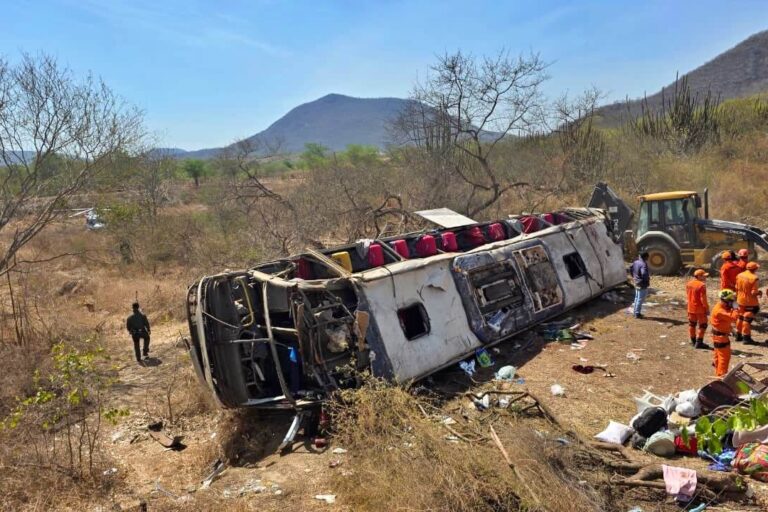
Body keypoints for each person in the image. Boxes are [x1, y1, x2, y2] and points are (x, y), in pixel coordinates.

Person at [710, 289, 740, 377]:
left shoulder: (721, 307)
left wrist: (731, 330)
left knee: (718, 356)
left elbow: (723, 322)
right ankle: (721, 378)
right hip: (721, 338)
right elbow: (734, 318)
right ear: (726, 301)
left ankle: (718, 373)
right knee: (724, 358)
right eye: (731, 301)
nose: (733, 302)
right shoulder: (720, 311)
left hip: (718, 336)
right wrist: (735, 308)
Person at [735, 261, 762, 344]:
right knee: (747, 319)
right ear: (755, 269)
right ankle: (746, 338)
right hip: (750, 302)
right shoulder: (754, 278)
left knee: (740, 317)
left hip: (740, 300)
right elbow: (753, 292)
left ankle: (738, 335)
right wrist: (759, 292)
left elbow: (736, 287)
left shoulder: (739, 275)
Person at [686, 269, 710, 349]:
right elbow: (703, 299)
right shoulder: (702, 285)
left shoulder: (689, 284)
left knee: (692, 324)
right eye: (704, 276)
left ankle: (693, 341)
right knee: (703, 325)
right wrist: (707, 308)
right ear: (699, 276)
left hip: (690, 308)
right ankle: (699, 342)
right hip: (699, 309)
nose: (705, 277)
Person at [630, 252, 650, 318]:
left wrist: (634, 276)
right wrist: (647, 279)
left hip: (636, 282)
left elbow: (631, 268)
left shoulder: (636, 262)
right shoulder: (643, 264)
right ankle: (637, 314)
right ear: (646, 257)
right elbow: (644, 273)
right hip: (642, 283)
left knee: (637, 298)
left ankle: (635, 312)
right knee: (640, 299)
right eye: (647, 257)